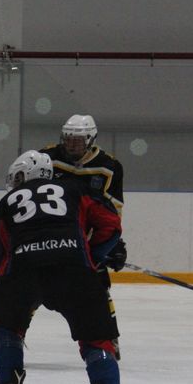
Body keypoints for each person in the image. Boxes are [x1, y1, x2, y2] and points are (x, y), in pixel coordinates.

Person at [0, 150, 144, 384]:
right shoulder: (76, 190)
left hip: (22, 273)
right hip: (74, 272)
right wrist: (94, 255)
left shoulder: (3, 205)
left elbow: (3, 260)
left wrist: (12, 310)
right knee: (97, 337)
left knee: (7, 329)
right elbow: (111, 225)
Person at [41, 114, 127, 358]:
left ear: (91, 140)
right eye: (68, 140)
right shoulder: (47, 157)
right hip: (48, 235)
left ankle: (109, 336)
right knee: (31, 282)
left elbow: (113, 210)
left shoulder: (109, 167)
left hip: (84, 240)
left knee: (99, 285)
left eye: (77, 141)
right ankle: (13, 330)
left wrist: (113, 243)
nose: (71, 145)